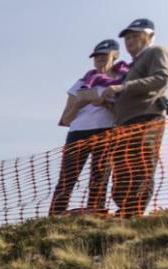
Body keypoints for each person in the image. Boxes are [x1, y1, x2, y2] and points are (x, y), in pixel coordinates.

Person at [101, 18, 168, 217]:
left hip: (145, 119)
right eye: (127, 37)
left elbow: (161, 78)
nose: (129, 41)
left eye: (135, 36)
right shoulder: (133, 65)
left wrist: (124, 86)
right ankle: (125, 210)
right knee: (122, 167)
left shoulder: (157, 52)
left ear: (149, 36)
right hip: (125, 123)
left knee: (140, 166)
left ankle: (133, 213)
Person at [49, 40, 128, 215]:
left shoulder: (123, 83)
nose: (99, 59)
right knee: (67, 177)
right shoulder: (80, 84)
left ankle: (95, 214)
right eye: (96, 56)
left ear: (115, 56)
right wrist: (79, 103)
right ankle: (54, 217)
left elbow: (124, 115)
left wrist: (105, 103)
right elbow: (65, 119)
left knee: (100, 176)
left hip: (106, 131)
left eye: (104, 55)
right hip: (77, 133)